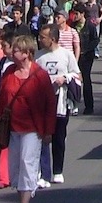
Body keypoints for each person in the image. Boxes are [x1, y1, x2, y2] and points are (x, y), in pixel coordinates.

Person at [0, 34, 55, 203]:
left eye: (17, 50)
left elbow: (49, 104)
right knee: (15, 166)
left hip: (32, 128)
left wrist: (48, 131)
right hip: (12, 126)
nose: (13, 52)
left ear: (28, 53)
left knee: (28, 163)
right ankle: (23, 202)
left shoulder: (40, 75)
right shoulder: (10, 72)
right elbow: (3, 95)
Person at [34, 25, 78, 185]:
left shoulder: (66, 54)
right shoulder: (38, 56)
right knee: (41, 136)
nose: (39, 39)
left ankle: (57, 170)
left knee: (59, 136)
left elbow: (77, 74)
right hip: (41, 101)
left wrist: (65, 78)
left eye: (42, 37)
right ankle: (42, 171)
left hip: (60, 100)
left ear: (52, 38)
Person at [77, 9, 99, 115]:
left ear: (82, 14)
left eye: (77, 14)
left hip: (87, 56)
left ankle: (89, 106)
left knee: (86, 79)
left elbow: (95, 40)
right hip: (75, 56)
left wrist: (86, 49)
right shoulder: (73, 26)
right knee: (74, 80)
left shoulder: (89, 26)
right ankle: (73, 105)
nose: (74, 16)